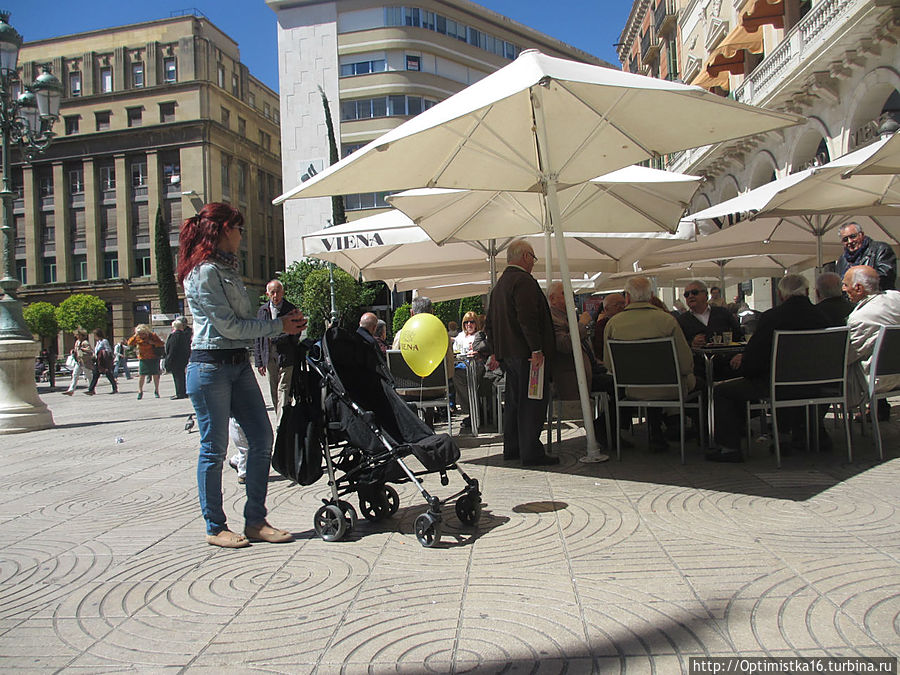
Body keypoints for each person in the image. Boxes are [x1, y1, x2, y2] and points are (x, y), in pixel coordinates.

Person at [177, 202, 307, 549]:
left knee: (263, 438)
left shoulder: (227, 269)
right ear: (221, 230)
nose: (241, 235)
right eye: (238, 228)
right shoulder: (204, 272)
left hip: (237, 364)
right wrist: (278, 325)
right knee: (214, 448)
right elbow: (229, 325)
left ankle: (255, 521)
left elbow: (239, 325)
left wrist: (280, 324)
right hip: (209, 367)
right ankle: (215, 526)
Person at [708, 274, 831, 463]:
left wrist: (746, 369)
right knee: (782, 382)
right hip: (818, 385)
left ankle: (729, 448)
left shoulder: (772, 317)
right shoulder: (824, 317)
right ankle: (793, 436)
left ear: (781, 295)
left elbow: (755, 357)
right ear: (807, 292)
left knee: (722, 391)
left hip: (777, 384)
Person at [603, 276, 697, 453]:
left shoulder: (613, 324)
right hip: (671, 388)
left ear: (627, 297)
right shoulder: (667, 320)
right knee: (701, 383)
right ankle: (704, 436)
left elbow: (609, 365)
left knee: (650, 382)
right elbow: (686, 364)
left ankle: (657, 434)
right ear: (651, 295)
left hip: (633, 390)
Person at [484, 239, 557, 466]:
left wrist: (496, 352)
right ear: (525, 256)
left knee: (515, 403)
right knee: (532, 403)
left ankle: (513, 448)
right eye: (533, 258)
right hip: (527, 355)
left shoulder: (498, 287)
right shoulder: (523, 281)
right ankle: (531, 452)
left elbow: (489, 324)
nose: (534, 263)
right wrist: (536, 348)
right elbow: (528, 318)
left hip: (508, 355)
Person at [842, 265, 900, 422]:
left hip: (878, 380)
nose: (843, 288)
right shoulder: (896, 298)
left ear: (859, 288)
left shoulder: (860, 318)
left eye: (846, 284)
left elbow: (844, 357)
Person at [678, 279, 743, 381]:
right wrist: (691, 343)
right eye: (686, 294)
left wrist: (740, 354)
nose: (690, 296)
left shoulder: (723, 313)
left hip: (728, 364)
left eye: (694, 292)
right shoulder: (681, 320)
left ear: (706, 295)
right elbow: (679, 345)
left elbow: (740, 336)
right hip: (699, 369)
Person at [254, 279, 299, 426]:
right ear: (267, 294)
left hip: (286, 355)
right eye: (272, 292)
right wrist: (259, 361)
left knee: (284, 388)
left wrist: (277, 338)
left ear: (283, 292)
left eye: (278, 291)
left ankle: (281, 423)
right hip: (268, 355)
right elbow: (258, 336)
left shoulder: (290, 309)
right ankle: (280, 416)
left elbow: (296, 332)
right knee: (273, 389)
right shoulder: (262, 311)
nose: (275, 295)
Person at [547, 281, 594, 400]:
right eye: (564, 293)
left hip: (584, 372)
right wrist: (582, 325)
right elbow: (564, 344)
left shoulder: (569, 317)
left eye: (570, 293)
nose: (570, 297)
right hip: (570, 375)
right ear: (552, 299)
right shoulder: (553, 319)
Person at [834, 221, 896, 291]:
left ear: (861, 234)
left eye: (853, 236)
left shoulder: (880, 249)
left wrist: (856, 283)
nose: (850, 241)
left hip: (877, 297)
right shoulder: (842, 260)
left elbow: (886, 275)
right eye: (845, 239)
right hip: (851, 299)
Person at [452, 311, 488, 430]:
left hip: (477, 365)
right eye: (466, 322)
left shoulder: (479, 336)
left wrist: (478, 353)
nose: (469, 324)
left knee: (471, 382)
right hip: (461, 366)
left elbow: (485, 350)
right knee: (456, 376)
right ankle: (473, 411)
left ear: (476, 323)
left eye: (471, 322)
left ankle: (475, 413)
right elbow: (455, 351)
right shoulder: (460, 336)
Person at [127, 324, 165, 400]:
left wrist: (153, 343)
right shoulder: (137, 337)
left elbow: (161, 343)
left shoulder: (152, 336)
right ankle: (140, 391)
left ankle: (156, 390)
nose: (141, 335)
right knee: (142, 375)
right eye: (140, 333)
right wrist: (135, 335)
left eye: (143, 333)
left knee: (155, 375)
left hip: (153, 357)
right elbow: (129, 343)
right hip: (143, 358)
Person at [592, 293, 626, 365]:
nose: (622, 307)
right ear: (606, 309)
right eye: (617, 305)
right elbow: (599, 350)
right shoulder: (602, 325)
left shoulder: (630, 321)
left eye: (623, 303)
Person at [84, 328, 118, 395]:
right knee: (95, 374)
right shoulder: (98, 342)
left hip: (103, 361)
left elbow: (108, 350)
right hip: (98, 361)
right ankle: (91, 390)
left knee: (108, 374)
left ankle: (115, 388)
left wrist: (103, 353)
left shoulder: (104, 341)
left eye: (95, 335)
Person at [165, 319, 192, 399]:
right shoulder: (185, 335)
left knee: (177, 376)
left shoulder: (175, 335)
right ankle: (183, 391)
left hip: (175, 359)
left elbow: (172, 349)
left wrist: (168, 359)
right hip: (183, 359)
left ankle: (179, 393)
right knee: (181, 376)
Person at [62, 330, 93, 395]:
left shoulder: (85, 342)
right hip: (78, 361)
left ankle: (91, 389)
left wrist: (82, 349)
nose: (76, 336)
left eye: (78, 335)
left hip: (85, 361)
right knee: (75, 375)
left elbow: (89, 349)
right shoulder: (77, 342)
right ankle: (71, 390)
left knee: (88, 376)